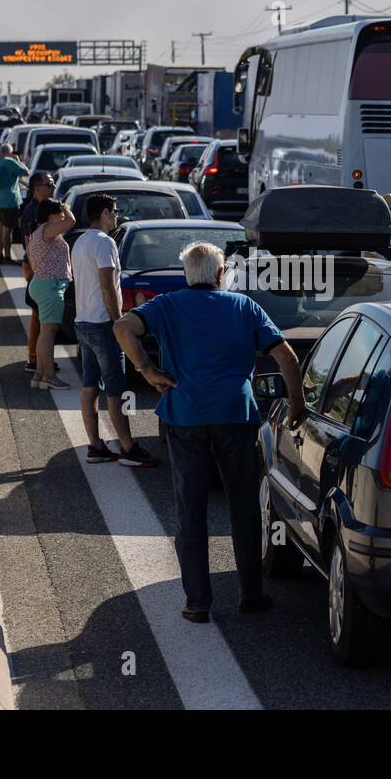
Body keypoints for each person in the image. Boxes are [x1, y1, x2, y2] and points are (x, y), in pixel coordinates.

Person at [114, 241, 305, 623]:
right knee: (244, 506)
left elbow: (123, 327)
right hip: (236, 414)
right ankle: (251, 594)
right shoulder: (244, 307)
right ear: (220, 274)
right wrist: (297, 404)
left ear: (187, 275)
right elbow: (286, 357)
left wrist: (148, 371)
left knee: (190, 509)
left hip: (185, 415)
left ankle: (198, 603)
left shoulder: (167, 305)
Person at [70, 194, 159, 468]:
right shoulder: (105, 242)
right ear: (106, 213)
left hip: (82, 321)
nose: (117, 216)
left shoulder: (80, 241)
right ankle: (128, 448)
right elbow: (108, 285)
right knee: (116, 389)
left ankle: (96, 446)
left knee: (89, 386)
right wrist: (118, 322)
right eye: (116, 212)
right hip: (103, 324)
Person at [25, 199, 75, 390]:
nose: (62, 217)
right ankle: (49, 377)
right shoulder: (47, 229)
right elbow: (71, 222)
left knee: (44, 333)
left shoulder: (41, 232)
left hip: (43, 284)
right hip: (50, 286)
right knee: (48, 334)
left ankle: (39, 374)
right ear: (50, 215)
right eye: (59, 214)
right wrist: (66, 209)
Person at [19, 172, 56, 375]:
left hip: (42, 268)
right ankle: (34, 359)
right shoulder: (32, 213)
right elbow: (30, 246)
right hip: (36, 267)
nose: (52, 187)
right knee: (38, 315)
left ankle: (41, 358)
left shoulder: (43, 209)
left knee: (43, 316)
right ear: (36, 188)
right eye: (49, 184)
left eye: (52, 184)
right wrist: (38, 273)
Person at [0, 144, 28, 264]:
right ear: (10, 153)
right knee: (7, 230)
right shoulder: (11, 162)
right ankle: (7, 256)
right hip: (9, 200)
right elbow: (26, 172)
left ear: (0, 152)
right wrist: (18, 160)